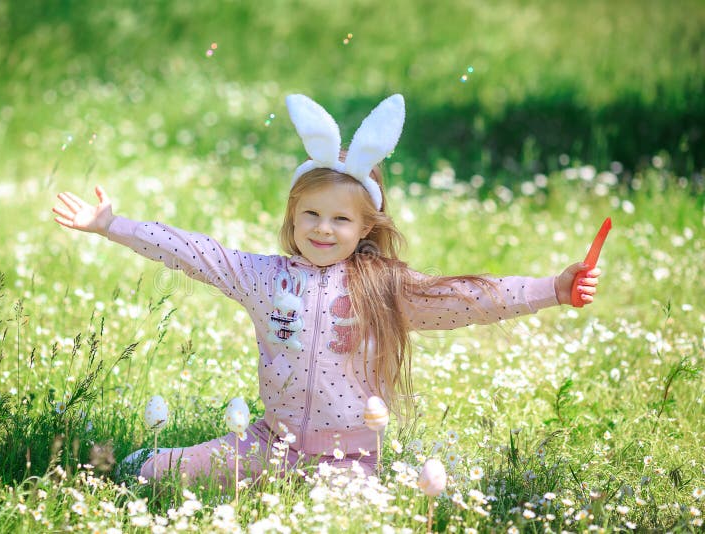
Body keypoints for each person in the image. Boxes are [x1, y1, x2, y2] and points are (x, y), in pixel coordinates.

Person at [52, 94, 600, 483]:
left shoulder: (384, 286)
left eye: (340, 219)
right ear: (292, 217)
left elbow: (466, 298)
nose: (321, 228)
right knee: (150, 474)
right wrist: (111, 225)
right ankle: (111, 468)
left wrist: (552, 288)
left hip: (348, 459)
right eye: (310, 213)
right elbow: (194, 251)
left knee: (343, 520)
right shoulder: (264, 277)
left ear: (367, 227)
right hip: (268, 444)